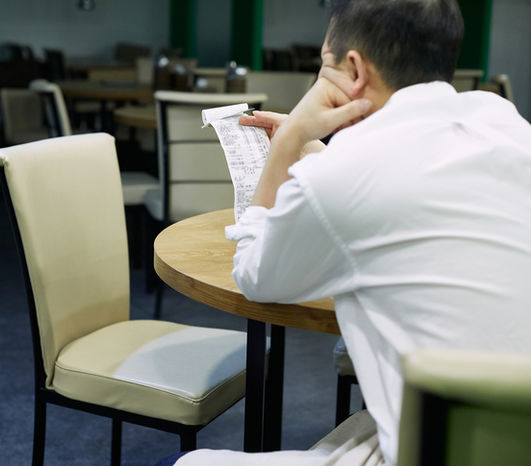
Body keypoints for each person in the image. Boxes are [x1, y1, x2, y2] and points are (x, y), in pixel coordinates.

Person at [165, 0, 531, 465]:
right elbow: (404, 184)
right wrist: (323, 156)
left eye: (325, 67)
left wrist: (288, 144)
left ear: (353, 68)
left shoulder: (343, 172)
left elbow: (255, 277)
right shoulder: (503, 121)